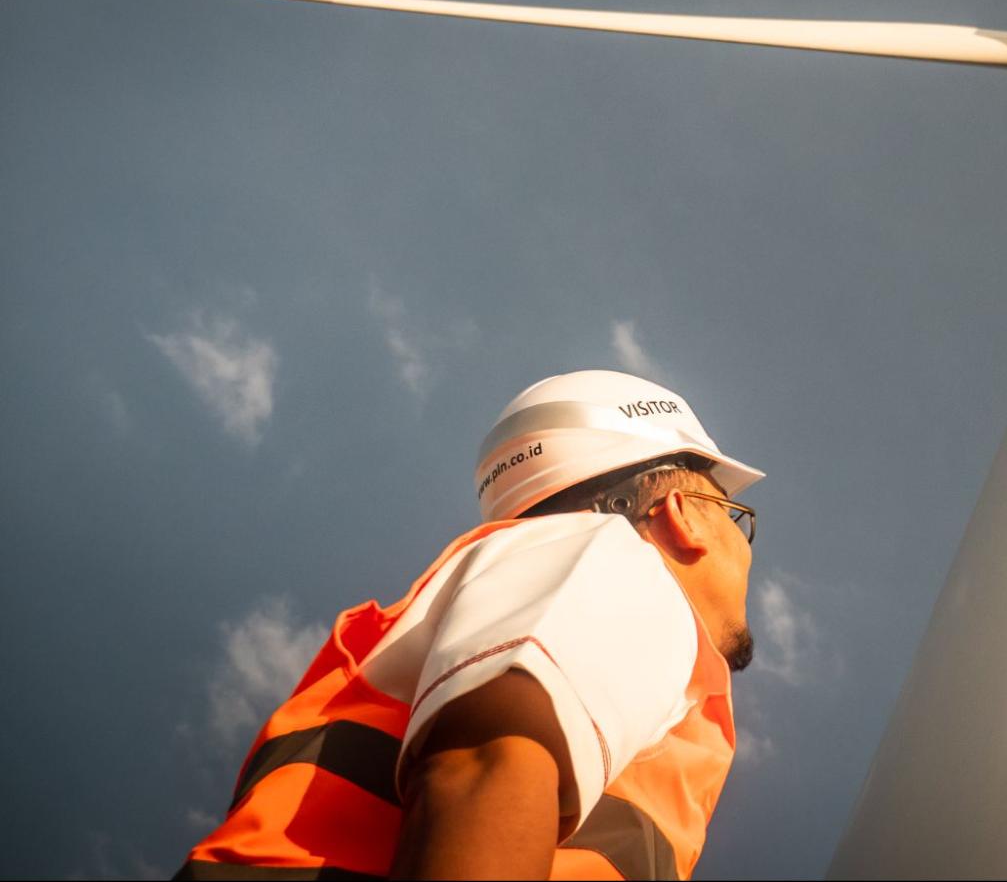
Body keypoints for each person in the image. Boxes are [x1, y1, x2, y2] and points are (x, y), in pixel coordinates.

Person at [174, 370, 766, 881]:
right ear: (683, 515)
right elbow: (488, 764)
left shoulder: (535, 580)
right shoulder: (611, 560)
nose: (745, 551)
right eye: (736, 518)